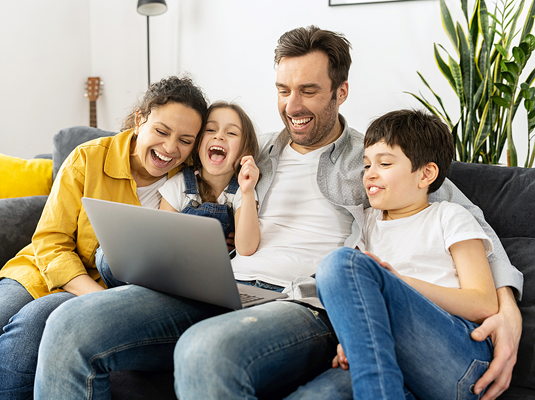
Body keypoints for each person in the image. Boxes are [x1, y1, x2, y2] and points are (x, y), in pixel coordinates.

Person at [33, 26, 523, 400]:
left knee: (207, 351)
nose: (293, 106)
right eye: (283, 90)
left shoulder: (374, 157)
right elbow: (185, 173)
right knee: (70, 326)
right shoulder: (256, 149)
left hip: (304, 305)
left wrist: (506, 308)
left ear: (340, 92)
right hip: (221, 287)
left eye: (309, 90)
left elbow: (467, 218)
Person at [0, 76, 207, 400]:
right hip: (43, 271)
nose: (170, 148)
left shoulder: (191, 180)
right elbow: (50, 240)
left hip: (103, 287)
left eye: (185, 140)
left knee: (23, 335)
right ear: (140, 120)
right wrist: (93, 296)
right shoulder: (88, 158)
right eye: (161, 131)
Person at [302, 108, 498, 399]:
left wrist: (398, 281)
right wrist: (351, 338)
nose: (370, 174)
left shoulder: (449, 216)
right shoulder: (366, 224)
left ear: (426, 174)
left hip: (458, 357)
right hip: (391, 360)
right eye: (367, 165)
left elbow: (483, 302)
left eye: (384, 163)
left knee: (338, 264)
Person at [96, 100, 261, 288]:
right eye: (211, 130)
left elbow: (246, 248)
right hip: (174, 273)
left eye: (231, 133)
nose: (219, 137)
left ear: (245, 150)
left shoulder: (243, 190)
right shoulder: (179, 184)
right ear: (197, 144)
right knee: (106, 256)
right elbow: (162, 244)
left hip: (210, 279)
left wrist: (247, 192)